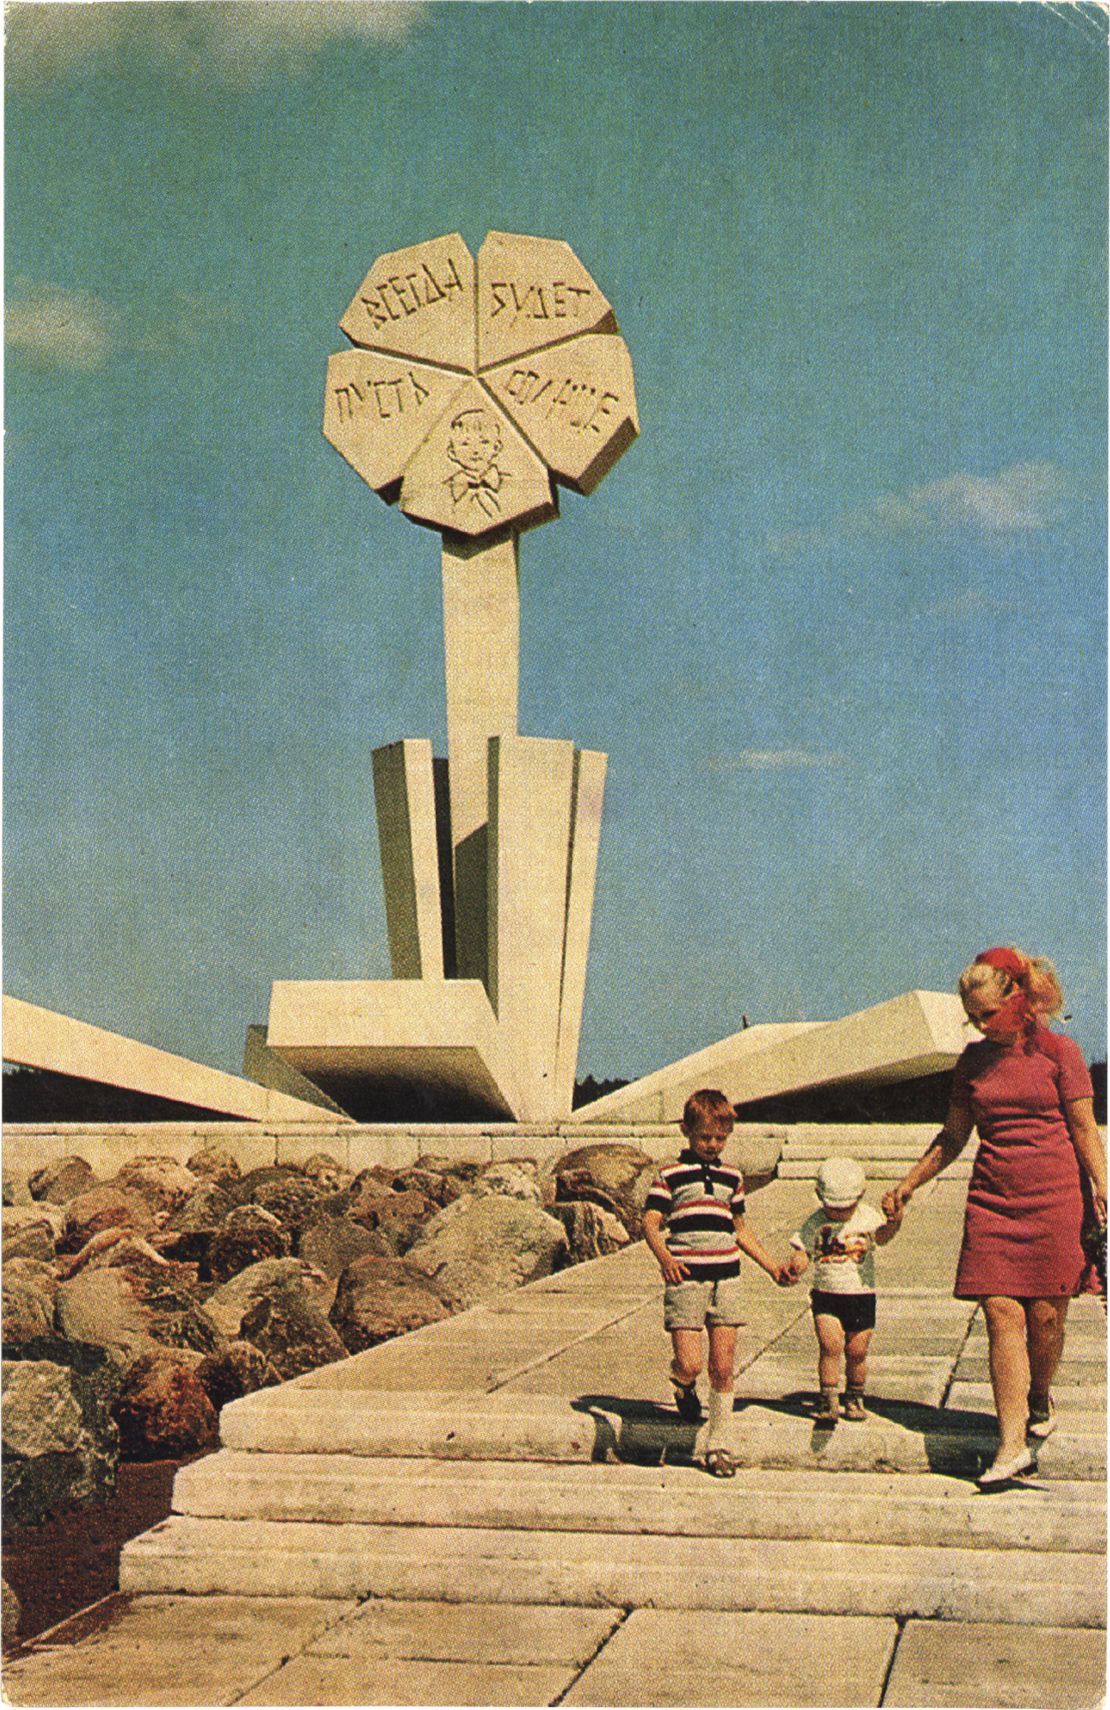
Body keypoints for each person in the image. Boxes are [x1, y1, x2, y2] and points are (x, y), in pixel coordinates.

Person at [882, 947, 1107, 1486]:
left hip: (1056, 1200)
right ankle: (1010, 1446)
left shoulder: (1061, 1052)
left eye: (988, 1013)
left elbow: (1083, 1129)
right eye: (973, 1016)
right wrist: (908, 1184)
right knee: (1000, 1313)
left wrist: (1103, 1187)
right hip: (992, 1201)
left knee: (1047, 1319)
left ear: (1021, 999)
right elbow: (954, 1136)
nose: (980, 1025)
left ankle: (1037, 1395)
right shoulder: (971, 1063)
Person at [642, 1087, 787, 1477]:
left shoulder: (732, 1178)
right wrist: (666, 1258)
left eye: (720, 1138)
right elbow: (651, 1223)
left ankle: (719, 1445)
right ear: (686, 1130)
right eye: (705, 1136)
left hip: (727, 1278)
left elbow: (740, 1229)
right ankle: (682, 1385)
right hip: (687, 1279)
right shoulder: (670, 1175)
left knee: (722, 1367)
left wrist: (772, 1267)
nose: (712, 1144)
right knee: (690, 1363)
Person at [785, 1155, 902, 1422]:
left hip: (861, 1296)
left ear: (861, 1195)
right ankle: (828, 1398)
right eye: (833, 1207)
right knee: (830, 1346)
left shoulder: (867, 1216)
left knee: (857, 1351)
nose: (839, 1213)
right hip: (826, 1296)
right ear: (819, 1196)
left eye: (845, 1207)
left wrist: (893, 1221)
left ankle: (855, 1395)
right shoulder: (815, 1222)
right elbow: (803, 1249)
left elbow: (882, 1238)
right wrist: (798, 1264)